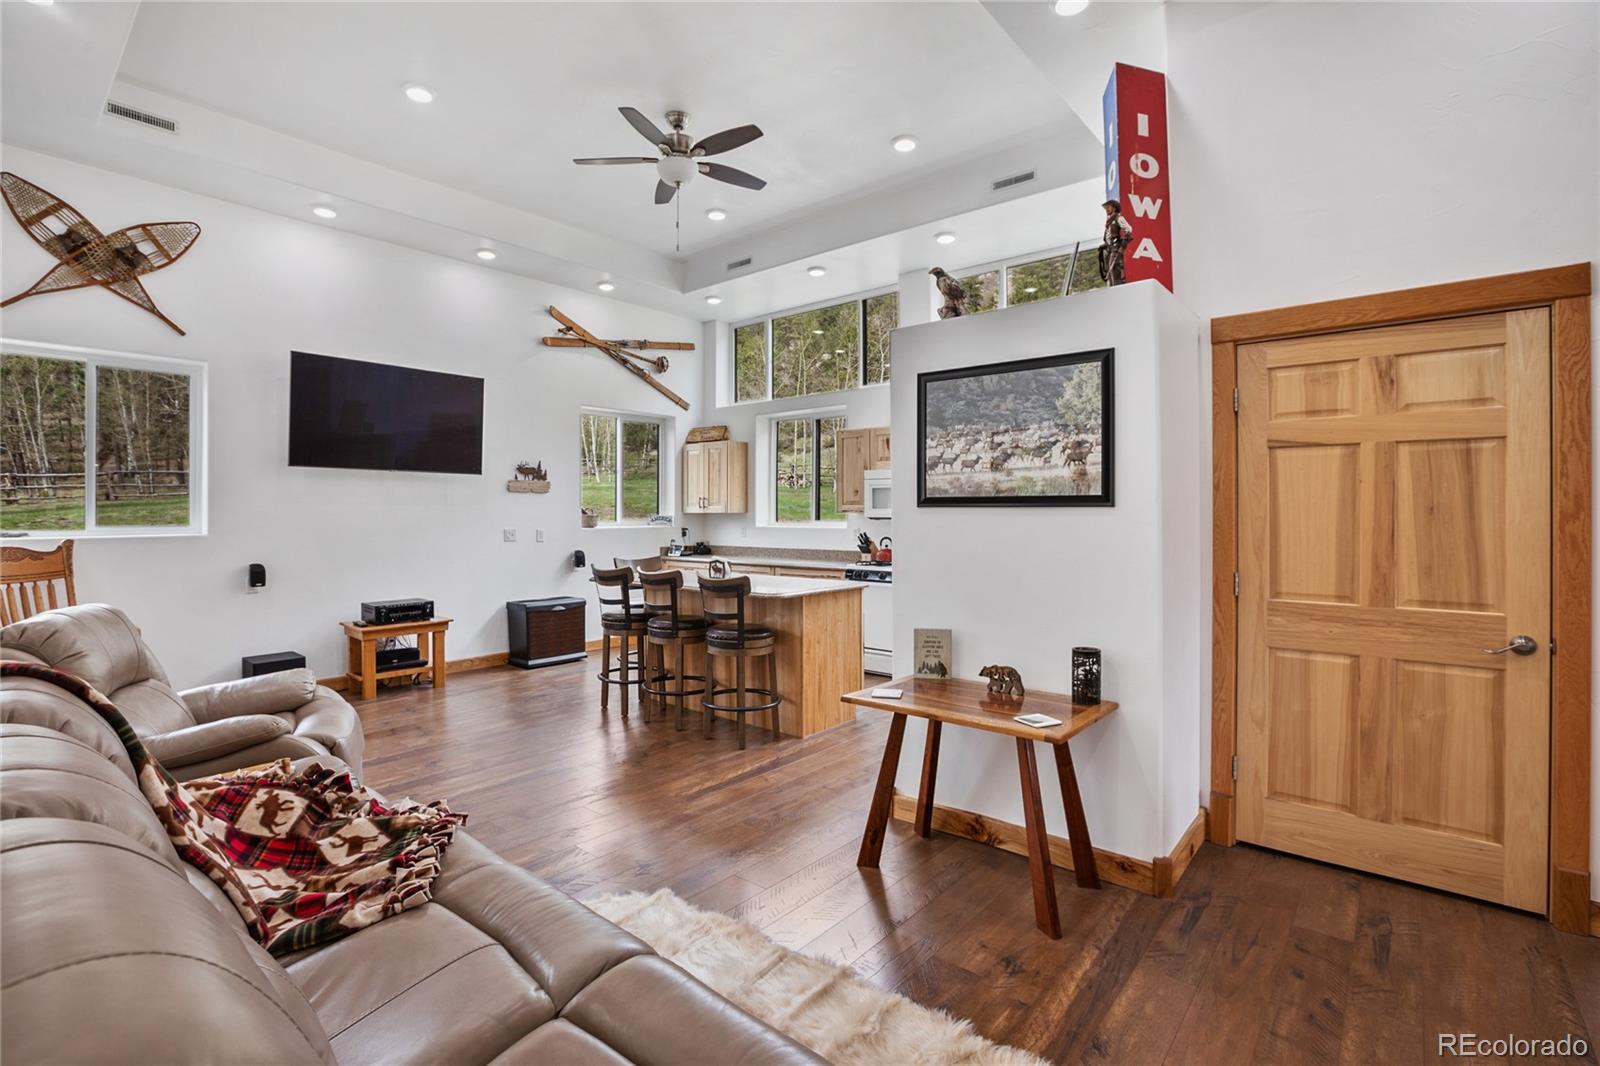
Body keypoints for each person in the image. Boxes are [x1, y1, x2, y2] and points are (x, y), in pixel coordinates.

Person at [1098, 199, 1133, 286]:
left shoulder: (1119, 218)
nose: (1106, 209)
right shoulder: (1109, 221)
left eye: (1108, 207)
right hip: (1109, 248)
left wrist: (1122, 245)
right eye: (1105, 208)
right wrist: (1105, 245)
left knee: (1114, 268)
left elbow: (1128, 230)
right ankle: (1113, 288)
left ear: (1114, 207)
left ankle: (1118, 288)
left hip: (1115, 247)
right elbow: (1108, 236)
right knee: (1109, 270)